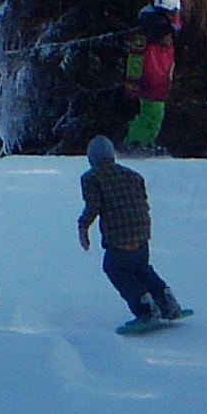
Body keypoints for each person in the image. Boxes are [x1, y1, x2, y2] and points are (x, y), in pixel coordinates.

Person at [78, 137, 183, 325]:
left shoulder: (92, 178)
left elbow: (93, 207)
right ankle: (167, 302)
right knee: (141, 268)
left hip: (118, 238)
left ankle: (145, 309)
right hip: (142, 233)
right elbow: (142, 202)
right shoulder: (133, 175)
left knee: (115, 269)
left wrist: (83, 228)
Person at [122, 0, 182, 150]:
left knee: (153, 115)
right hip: (152, 80)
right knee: (152, 115)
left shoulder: (150, 27)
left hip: (152, 79)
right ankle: (136, 143)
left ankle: (144, 142)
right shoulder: (158, 29)